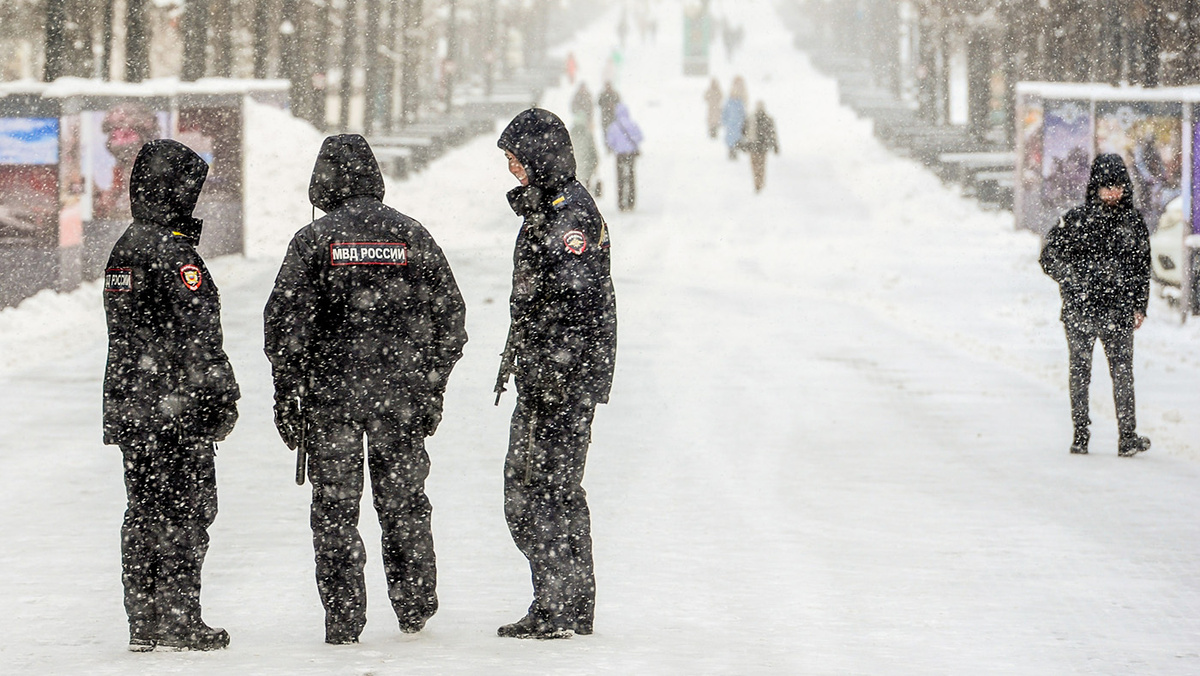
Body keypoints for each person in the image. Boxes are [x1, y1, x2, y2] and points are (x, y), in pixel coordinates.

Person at [263, 134, 467, 644]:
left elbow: (284, 326)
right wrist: (430, 385)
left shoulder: (313, 241)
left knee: (335, 511)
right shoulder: (410, 234)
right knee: (404, 503)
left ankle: (343, 617)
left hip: (331, 400)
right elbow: (451, 317)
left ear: (322, 181)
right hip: (400, 399)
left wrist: (288, 392)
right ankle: (415, 604)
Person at [102, 139, 239, 652]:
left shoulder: (126, 247)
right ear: (175, 190)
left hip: (134, 405)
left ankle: (144, 619)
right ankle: (180, 619)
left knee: (143, 511)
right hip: (174, 409)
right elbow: (198, 335)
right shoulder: (173, 254)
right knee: (186, 510)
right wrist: (221, 397)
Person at [495, 108, 617, 639]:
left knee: (537, 490)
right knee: (551, 489)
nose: (512, 169)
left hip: (559, 382)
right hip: (554, 377)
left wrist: (552, 370)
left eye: (516, 159)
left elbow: (577, 300)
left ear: (540, 156)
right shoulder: (550, 207)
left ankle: (557, 606)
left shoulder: (568, 215)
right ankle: (568, 603)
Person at [1040, 153, 1152, 457]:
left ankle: (1126, 436)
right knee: (1084, 372)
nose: (1113, 193)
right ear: (1096, 187)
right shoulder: (1077, 220)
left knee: (1119, 372)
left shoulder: (1132, 222)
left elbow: (1141, 268)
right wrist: (1072, 279)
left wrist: (1139, 305)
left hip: (1113, 310)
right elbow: (1048, 257)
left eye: (1118, 187)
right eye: (1107, 187)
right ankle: (1081, 434)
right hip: (1084, 309)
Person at [605, 103, 644, 212]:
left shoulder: (614, 126)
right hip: (631, 154)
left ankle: (621, 203)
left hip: (620, 155)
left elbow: (610, 141)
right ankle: (631, 202)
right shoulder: (632, 124)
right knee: (631, 177)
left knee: (620, 178)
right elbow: (640, 137)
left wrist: (616, 147)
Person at [743, 101, 779, 192]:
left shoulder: (750, 118)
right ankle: (760, 182)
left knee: (754, 165)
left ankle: (757, 183)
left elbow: (744, 131)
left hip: (753, 146)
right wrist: (775, 146)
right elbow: (772, 134)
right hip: (763, 147)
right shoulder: (768, 119)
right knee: (762, 166)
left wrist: (745, 144)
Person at [570, 110, 600, 196]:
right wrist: (595, 161)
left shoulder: (570, 134)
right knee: (586, 186)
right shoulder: (587, 134)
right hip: (587, 164)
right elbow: (592, 149)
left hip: (575, 166)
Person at [722, 76, 748, 160]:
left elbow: (743, 112)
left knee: (736, 138)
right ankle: (732, 151)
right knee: (732, 138)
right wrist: (724, 121)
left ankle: (734, 151)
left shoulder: (739, 102)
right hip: (732, 123)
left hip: (737, 123)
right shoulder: (730, 101)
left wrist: (744, 121)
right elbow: (725, 112)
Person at [598, 81, 621, 147]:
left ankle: (615, 146)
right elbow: (599, 103)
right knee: (606, 133)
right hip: (605, 117)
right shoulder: (602, 95)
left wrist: (613, 106)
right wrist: (606, 106)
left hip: (614, 117)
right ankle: (608, 146)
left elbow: (619, 104)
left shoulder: (615, 94)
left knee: (616, 132)